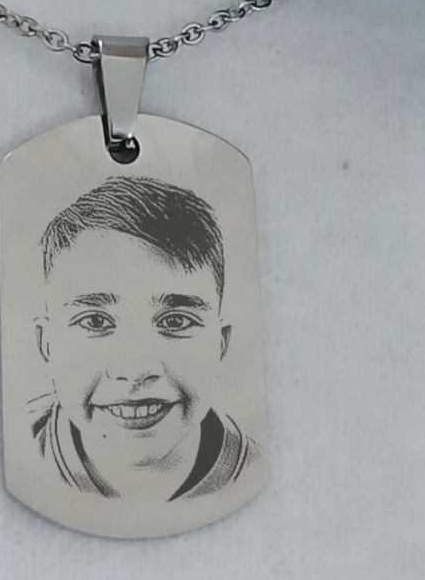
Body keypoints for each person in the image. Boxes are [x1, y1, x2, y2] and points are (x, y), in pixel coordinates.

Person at [29, 175, 258, 505]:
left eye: (175, 321)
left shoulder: (262, 477)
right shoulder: (15, 455)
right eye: (95, 321)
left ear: (220, 344)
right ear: (46, 344)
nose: (135, 370)